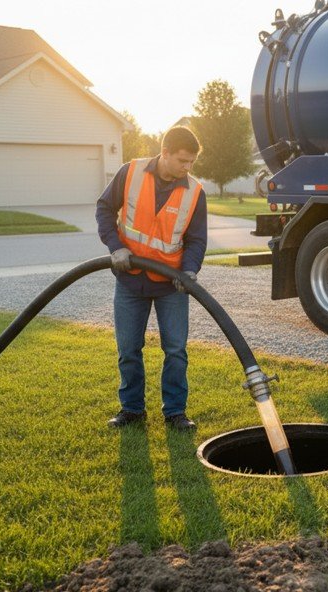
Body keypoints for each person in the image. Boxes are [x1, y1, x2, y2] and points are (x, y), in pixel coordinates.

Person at [96, 126, 208, 430]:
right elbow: (104, 209)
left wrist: (189, 270)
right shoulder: (130, 173)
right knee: (128, 349)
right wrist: (116, 247)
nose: (187, 167)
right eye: (182, 160)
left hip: (171, 285)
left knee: (176, 350)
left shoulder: (195, 192)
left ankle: (175, 413)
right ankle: (132, 409)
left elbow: (197, 239)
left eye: (192, 162)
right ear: (165, 152)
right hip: (130, 279)